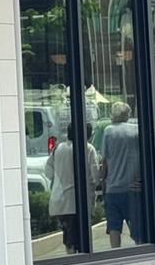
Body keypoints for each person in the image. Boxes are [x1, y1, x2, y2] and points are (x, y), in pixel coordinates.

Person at [43, 123, 98, 255]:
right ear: (87, 135)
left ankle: (71, 256)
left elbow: (48, 172)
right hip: (80, 201)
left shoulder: (59, 148)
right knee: (81, 236)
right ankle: (78, 259)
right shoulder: (88, 148)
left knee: (69, 236)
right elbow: (95, 175)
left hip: (61, 201)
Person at [101, 101, 144, 247]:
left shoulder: (108, 131)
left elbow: (105, 161)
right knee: (137, 228)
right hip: (133, 188)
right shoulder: (136, 130)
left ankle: (116, 254)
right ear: (128, 114)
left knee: (114, 228)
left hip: (113, 188)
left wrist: (102, 180)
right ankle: (141, 252)